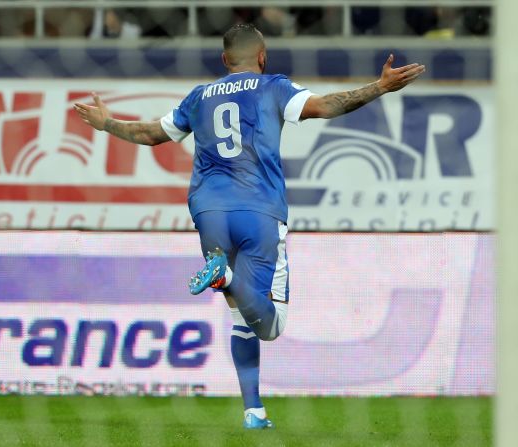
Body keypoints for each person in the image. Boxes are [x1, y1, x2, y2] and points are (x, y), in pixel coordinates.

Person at [73, 23, 425, 430]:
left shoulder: (199, 97)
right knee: (271, 324)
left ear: (224, 60)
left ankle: (253, 411)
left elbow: (151, 134)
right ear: (262, 55)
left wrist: (107, 124)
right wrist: (379, 87)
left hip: (208, 212)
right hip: (257, 210)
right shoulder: (272, 86)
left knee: (242, 316)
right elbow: (328, 106)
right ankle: (224, 279)